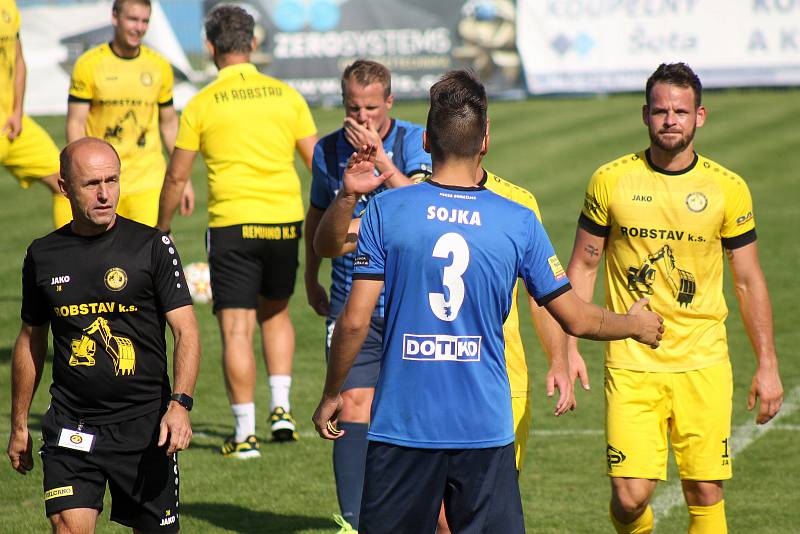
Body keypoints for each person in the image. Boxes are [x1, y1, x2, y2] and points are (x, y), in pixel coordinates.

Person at [312, 70, 664, 533]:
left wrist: (332, 393)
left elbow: (353, 318)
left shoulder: (388, 211)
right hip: (483, 428)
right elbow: (577, 317)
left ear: (424, 139)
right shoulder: (517, 220)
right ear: (485, 140)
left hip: (403, 426)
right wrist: (636, 325)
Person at [564, 62, 784, 534]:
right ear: (645, 114)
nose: (670, 121)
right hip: (632, 360)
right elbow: (583, 265)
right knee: (629, 497)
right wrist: (568, 349)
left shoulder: (728, 188)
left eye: (680, 112)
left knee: (704, 490)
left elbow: (748, 280)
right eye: (661, 111)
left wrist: (767, 364)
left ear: (699, 116)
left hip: (703, 359)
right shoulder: (610, 181)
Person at [7, 137, 200, 533]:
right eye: (91, 184)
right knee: (69, 526)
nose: (105, 194)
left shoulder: (151, 246)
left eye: (112, 181)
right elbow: (30, 339)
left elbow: (186, 330)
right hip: (72, 426)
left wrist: (179, 404)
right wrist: (19, 423)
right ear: (64, 187)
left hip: (146, 427)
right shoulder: (43, 255)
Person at [157, 5, 318, 458]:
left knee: (235, 330)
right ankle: (282, 410)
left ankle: (245, 433)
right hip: (284, 221)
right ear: (254, 42)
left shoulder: (204, 103)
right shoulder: (286, 96)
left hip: (232, 226)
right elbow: (317, 164)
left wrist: (162, 228)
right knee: (276, 313)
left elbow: (175, 177)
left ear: (209, 46)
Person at [305, 59, 432, 531]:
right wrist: (310, 276)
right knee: (351, 402)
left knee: (407, 408)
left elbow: (421, 206)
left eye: (372, 108)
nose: (362, 118)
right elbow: (316, 221)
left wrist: (380, 158)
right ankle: (353, 521)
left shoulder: (414, 140)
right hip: (350, 298)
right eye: (353, 108)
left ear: (390, 103)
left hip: (408, 301)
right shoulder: (326, 150)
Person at [65, 0, 192, 228]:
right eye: (133, 19)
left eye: (145, 21)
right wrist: (80, 174)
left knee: (150, 254)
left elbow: (170, 124)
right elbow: (76, 123)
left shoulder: (159, 66)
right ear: (115, 17)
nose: (139, 28)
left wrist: (183, 180)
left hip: (148, 181)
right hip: (103, 181)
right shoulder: (89, 65)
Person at [0, 0, 63, 225]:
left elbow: (17, 61)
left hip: (12, 125)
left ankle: (74, 258)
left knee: (66, 182)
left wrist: (17, 111)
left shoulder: (8, 6)